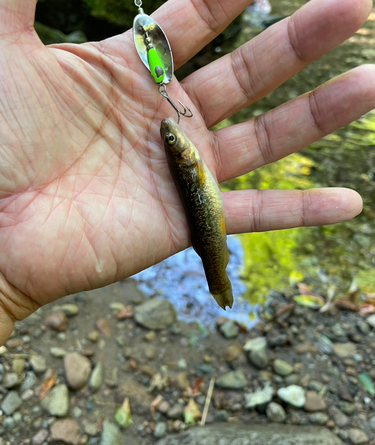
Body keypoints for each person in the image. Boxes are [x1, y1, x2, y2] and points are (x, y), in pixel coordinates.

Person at [0, 0, 374, 342]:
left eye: (172, 138)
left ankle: (218, 281)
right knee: (217, 253)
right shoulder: (187, 160)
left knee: (214, 250)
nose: (173, 136)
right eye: (173, 139)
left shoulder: (186, 160)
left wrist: (8, 291)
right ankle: (219, 281)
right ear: (185, 155)